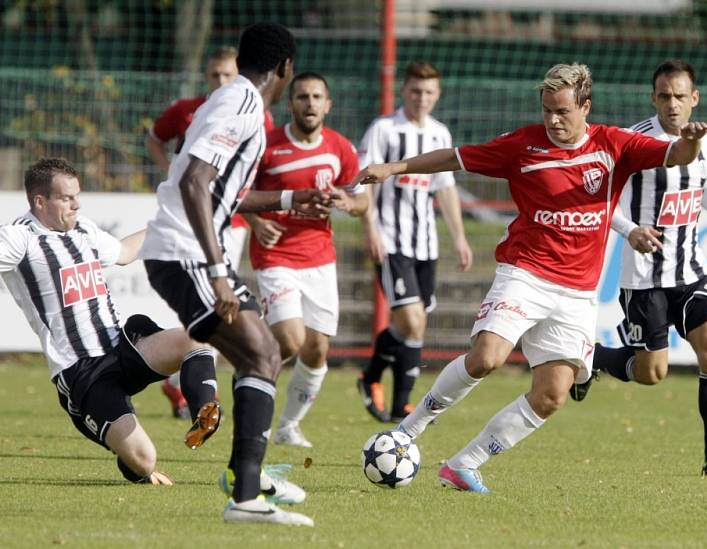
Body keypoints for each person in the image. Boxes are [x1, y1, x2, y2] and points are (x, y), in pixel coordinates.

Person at [357, 63, 707, 492]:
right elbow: (455, 158)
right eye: (547, 110)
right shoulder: (523, 146)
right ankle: (406, 432)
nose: (553, 120)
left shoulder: (613, 144)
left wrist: (690, 143)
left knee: (552, 394)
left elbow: (675, 155)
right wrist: (395, 168)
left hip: (578, 292)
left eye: (562, 111)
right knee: (486, 356)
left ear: (585, 106)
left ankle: (463, 464)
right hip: (525, 273)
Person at [140, 22, 331, 525]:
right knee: (263, 352)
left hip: (184, 253)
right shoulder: (241, 105)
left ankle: (249, 479)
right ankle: (246, 492)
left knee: (262, 353)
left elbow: (220, 189)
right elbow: (196, 182)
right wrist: (217, 269)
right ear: (285, 69)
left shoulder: (233, 103)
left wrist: (292, 198)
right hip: (186, 254)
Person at [571, 60, 707, 477]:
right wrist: (630, 230)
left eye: (680, 96)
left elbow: (703, 186)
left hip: (691, 271)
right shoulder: (633, 142)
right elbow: (602, 200)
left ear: (695, 99)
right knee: (652, 372)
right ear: (654, 98)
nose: (673, 104)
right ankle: (594, 357)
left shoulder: (703, 142)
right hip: (644, 279)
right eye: (665, 96)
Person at [0, 157, 223, 485]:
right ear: (40, 201)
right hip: (82, 373)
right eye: (67, 198)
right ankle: (133, 460)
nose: (77, 204)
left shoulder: (83, 229)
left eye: (78, 195)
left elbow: (123, 252)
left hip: (122, 347)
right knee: (145, 462)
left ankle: (205, 414)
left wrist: (172, 221)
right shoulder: (19, 238)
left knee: (197, 337)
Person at [248, 71, 368, 448]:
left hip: (319, 258)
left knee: (316, 348)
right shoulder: (267, 146)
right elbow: (237, 192)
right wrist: (255, 222)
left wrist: (350, 203)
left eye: (317, 97)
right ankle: (251, 390)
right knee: (291, 338)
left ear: (328, 105)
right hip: (276, 255)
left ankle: (287, 426)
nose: (310, 103)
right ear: (291, 104)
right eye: (303, 96)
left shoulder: (340, 148)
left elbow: (362, 198)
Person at [356, 61, 473, 423]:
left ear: (437, 95)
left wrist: (460, 238)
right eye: (415, 91)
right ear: (404, 91)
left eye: (429, 92)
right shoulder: (384, 129)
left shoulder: (439, 134)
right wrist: (370, 229)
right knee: (414, 322)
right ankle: (403, 405)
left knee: (409, 324)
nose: (422, 98)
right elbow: (365, 181)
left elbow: (446, 190)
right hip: (391, 240)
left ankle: (371, 376)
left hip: (426, 245)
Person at [145, 47, 249, 419]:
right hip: (188, 224)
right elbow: (155, 138)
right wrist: (169, 171)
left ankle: (188, 386)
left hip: (231, 225)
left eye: (228, 75)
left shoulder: (250, 114)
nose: (221, 82)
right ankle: (197, 389)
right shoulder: (188, 110)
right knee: (208, 306)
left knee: (221, 307)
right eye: (214, 75)